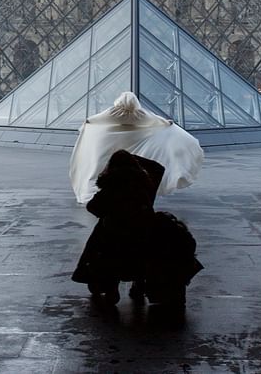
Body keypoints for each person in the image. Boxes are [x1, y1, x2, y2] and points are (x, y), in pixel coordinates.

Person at [72, 149, 203, 307]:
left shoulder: (110, 185)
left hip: (114, 237)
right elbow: (157, 167)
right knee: (141, 254)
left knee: (101, 242)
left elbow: (93, 208)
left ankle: (110, 286)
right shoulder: (146, 184)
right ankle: (139, 285)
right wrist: (132, 158)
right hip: (144, 234)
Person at [69, 92, 204, 205]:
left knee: (99, 164)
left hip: (110, 139)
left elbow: (97, 119)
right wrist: (167, 123)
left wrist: (88, 122)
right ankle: (128, 187)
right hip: (135, 139)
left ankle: (98, 188)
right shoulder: (139, 114)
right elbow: (154, 120)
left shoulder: (113, 112)